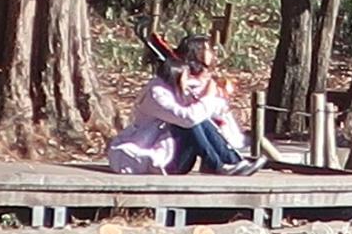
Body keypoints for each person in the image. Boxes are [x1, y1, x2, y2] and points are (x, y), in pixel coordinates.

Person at [107, 57, 260, 176]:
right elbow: (188, 119)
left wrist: (209, 96)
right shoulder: (156, 95)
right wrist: (208, 96)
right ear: (177, 77)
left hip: (172, 155)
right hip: (154, 160)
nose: (188, 83)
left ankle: (232, 161)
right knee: (190, 123)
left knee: (199, 120)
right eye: (186, 78)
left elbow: (209, 111)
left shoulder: (174, 90)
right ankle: (217, 165)